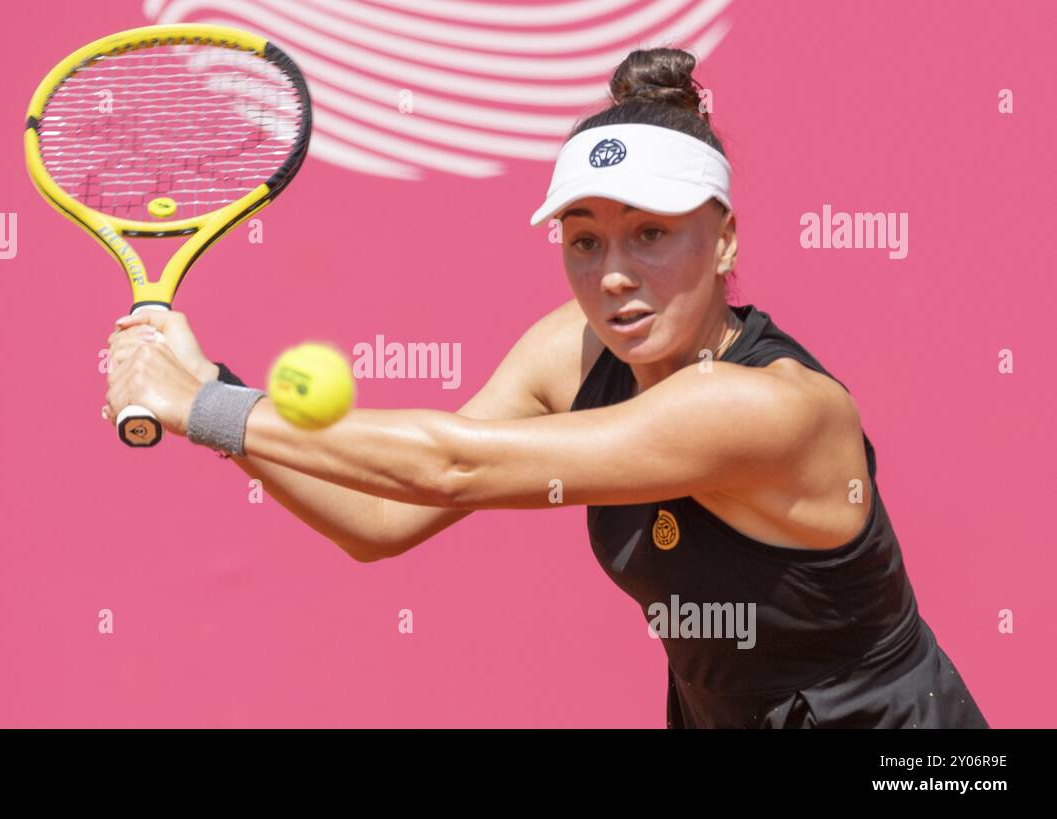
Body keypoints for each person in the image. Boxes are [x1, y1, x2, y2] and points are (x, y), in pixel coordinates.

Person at [102, 48, 988, 729]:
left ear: (724, 242)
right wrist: (212, 390)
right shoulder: (574, 351)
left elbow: (448, 466)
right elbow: (380, 522)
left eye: (651, 234)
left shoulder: (762, 409)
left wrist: (199, 403)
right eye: (585, 238)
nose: (613, 276)